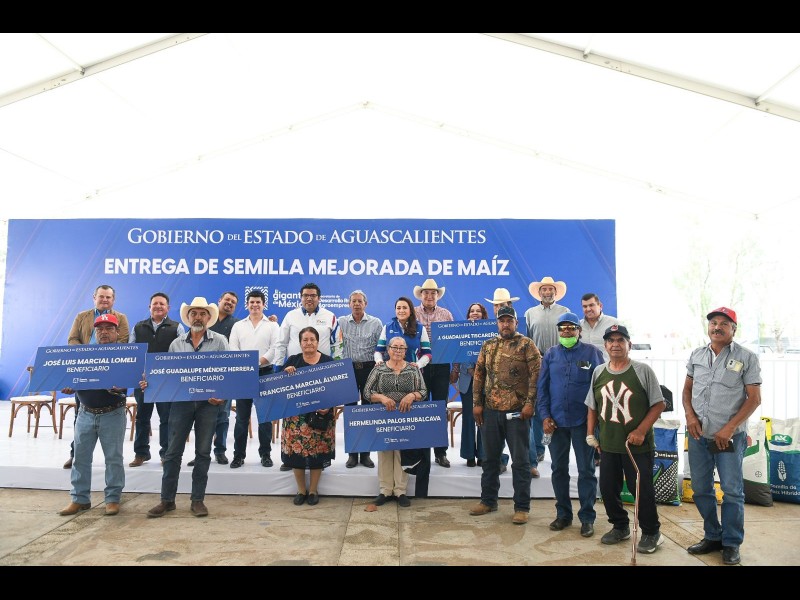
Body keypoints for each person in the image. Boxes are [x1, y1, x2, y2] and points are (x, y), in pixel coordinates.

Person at [682, 306, 762, 566]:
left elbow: (754, 398)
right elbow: (687, 390)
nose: (717, 327)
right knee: (701, 489)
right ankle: (712, 535)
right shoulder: (697, 355)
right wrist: (690, 416)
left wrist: (729, 428)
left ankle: (731, 542)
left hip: (728, 438)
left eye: (723, 324)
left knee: (731, 490)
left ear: (733, 330)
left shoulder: (746, 357)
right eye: (713, 323)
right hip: (698, 435)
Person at [585, 324, 666, 554]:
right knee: (607, 489)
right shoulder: (599, 371)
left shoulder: (642, 371)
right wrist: (591, 434)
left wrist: (641, 430)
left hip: (636, 447)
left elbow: (659, 404)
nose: (615, 345)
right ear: (605, 346)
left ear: (629, 344)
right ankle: (620, 526)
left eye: (620, 340)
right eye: (611, 341)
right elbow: (592, 406)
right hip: (608, 444)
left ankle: (652, 532)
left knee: (640, 490)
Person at [146, 297, 229, 518]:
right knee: (173, 452)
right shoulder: (176, 344)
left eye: (202, 314)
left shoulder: (220, 341)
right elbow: (168, 375)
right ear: (188, 317)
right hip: (181, 403)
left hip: (208, 405)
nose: (198, 317)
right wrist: (150, 381)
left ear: (209, 318)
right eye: (194, 314)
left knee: (203, 452)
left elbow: (228, 373)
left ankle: (197, 500)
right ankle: (167, 500)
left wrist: (221, 395)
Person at [470, 306, 541, 525]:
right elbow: (479, 374)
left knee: (520, 462)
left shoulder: (527, 344)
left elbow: (536, 376)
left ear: (516, 323)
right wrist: (477, 404)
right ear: (497, 323)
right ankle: (488, 501)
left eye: (509, 321)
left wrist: (530, 404)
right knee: (490, 460)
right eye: (502, 321)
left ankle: (522, 507)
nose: (505, 324)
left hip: (518, 413)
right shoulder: (488, 345)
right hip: (491, 411)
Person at [538, 312, 604, 538]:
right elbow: (542, 389)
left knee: (586, 470)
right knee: (559, 469)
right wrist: (545, 416)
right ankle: (563, 515)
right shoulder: (550, 354)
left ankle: (587, 518)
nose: (566, 331)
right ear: (558, 332)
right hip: (555, 423)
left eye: (571, 328)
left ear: (579, 330)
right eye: (562, 328)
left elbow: (600, 387)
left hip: (583, 422)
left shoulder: (592, 353)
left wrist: (595, 423)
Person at [58, 314, 128, 517]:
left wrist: (121, 386)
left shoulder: (125, 356)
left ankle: (112, 499)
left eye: (109, 328)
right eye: (100, 329)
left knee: (113, 459)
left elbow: (131, 384)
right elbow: (71, 378)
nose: (104, 332)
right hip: (85, 413)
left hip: (112, 413)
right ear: (95, 332)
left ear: (117, 332)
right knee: (80, 458)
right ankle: (79, 499)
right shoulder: (82, 354)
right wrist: (69, 386)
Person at [274, 282, 340, 471]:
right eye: (305, 295)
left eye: (313, 295)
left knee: (321, 414)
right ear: (301, 297)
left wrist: (338, 371)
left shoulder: (330, 317)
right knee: (294, 420)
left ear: (319, 298)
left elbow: (337, 346)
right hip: (295, 372)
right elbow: (281, 343)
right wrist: (279, 370)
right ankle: (290, 458)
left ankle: (319, 459)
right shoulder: (290, 316)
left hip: (322, 372)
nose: (309, 298)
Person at [63, 284, 130, 469]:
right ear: (94, 298)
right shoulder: (81, 316)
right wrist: (89, 356)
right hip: (85, 370)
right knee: (81, 413)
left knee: (110, 408)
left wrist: (104, 356)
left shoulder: (121, 318)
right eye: (101, 296)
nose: (104, 300)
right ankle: (75, 454)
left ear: (113, 300)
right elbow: (72, 339)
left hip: (110, 369)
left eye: (108, 297)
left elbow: (123, 341)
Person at [374, 296, 433, 496]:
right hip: (388, 381)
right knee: (386, 441)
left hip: (411, 381)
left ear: (410, 310)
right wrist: (379, 362)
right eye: (398, 307)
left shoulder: (420, 328)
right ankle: (385, 489)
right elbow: (378, 350)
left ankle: (400, 490)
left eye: (404, 307)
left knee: (404, 440)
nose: (401, 310)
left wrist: (419, 364)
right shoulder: (387, 327)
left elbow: (427, 353)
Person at [363, 336, 428, 508]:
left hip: (406, 417)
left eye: (401, 348)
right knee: (385, 452)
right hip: (384, 417)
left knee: (401, 452)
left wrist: (412, 395)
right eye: (394, 347)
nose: (398, 351)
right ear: (388, 349)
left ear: (406, 351)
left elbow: (424, 392)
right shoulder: (379, 369)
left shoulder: (413, 369)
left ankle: (400, 491)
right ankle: (385, 490)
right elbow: (367, 392)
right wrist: (382, 398)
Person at [129, 292, 185, 468]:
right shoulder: (138, 327)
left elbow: (180, 355)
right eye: (155, 303)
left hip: (166, 382)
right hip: (143, 382)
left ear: (168, 308)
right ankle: (141, 454)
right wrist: (140, 373)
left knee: (166, 419)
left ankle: (166, 454)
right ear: (149, 307)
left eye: (162, 304)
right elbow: (132, 353)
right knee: (142, 418)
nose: (158, 306)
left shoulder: (177, 328)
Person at [281, 327, 336, 506]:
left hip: (321, 415)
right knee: (296, 455)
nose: (309, 343)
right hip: (296, 418)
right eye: (305, 340)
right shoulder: (293, 361)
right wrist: (285, 374)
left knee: (317, 454)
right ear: (300, 343)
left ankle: (313, 490)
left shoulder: (328, 362)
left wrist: (328, 406)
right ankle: (301, 490)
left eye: (312, 339)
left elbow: (336, 389)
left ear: (318, 342)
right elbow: (280, 387)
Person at [228, 289, 280, 469]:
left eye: (258, 302)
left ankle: (265, 454)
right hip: (243, 376)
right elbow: (233, 348)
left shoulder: (272, 325)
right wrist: (246, 365)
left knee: (265, 418)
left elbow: (275, 349)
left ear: (264, 305)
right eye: (252, 302)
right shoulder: (238, 326)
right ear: (247, 305)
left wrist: (256, 363)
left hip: (265, 373)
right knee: (241, 418)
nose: (255, 305)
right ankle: (238, 455)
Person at [524, 276, 570, 473]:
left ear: (555, 292)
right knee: (538, 405)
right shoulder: (530, 313)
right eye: (544, 289)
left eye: (551, 289)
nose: (548, 292)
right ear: (539, 293)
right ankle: (539, 448)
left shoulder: (565, 311)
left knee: (557, 403)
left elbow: (569, 335)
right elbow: (526, 339)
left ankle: (557, 450)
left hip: (559, 361)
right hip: (537, 362)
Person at [338, 289, 382, 469]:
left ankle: (365, 454)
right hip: (348, 369)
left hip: (369, 369)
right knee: (350, 412)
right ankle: (352, 453)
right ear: (349, 304)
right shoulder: (340, 322)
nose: (356, 304)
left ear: (366, 304)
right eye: (353, 301)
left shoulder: (375, 323)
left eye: (360, 301)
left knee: (368, 412)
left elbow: (381, 349)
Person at [413, 278, 453, 468]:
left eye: (433, 293)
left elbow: (453, 344)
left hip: (441, 366)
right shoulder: (412, 313)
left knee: (440, 409)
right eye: (426, 292)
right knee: (420, 409)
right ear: (421, 295)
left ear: (438, 295)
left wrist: (456, 368)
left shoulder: (446, 314)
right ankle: (421, 453)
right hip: (419, 367)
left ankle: (440, 452)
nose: (429, 296)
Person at [449, 302, 489, 467]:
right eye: (472, 311)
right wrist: (466, 369)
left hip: (486, 381)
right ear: (468, 315)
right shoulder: (462, 332)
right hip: (466, 381)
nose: (475, 313)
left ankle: (483, 455)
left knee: (483, 418)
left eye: (478, 311)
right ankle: (469, 455)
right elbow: (458, 354)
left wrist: (480, 371)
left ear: (483, 315)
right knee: (468, 418)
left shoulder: (490, 332)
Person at [207, 290, 240, 464]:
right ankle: (202, 452)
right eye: (227, 299)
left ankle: (220, 450)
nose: (229, 303)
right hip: (204, 375)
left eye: (233, 302)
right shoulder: (206, 319)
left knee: (223, 415)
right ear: (219, 300)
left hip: (226, 376)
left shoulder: (237, 324)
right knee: (202, 415)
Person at [579, 293, 619, 360]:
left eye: (591, 305)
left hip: (607, 365)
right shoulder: (578, 326)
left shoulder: (613, 323)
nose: (588, 309)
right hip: (584, 365)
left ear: (600, 306)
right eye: (585, 306)